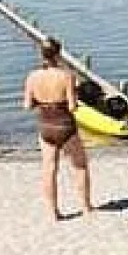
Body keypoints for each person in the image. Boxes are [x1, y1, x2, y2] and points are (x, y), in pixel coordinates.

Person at [23, 38, 92, 220]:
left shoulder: (32, 77)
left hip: (46, 125)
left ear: (42, 55)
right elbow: (72, 106)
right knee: (80, 166)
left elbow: (27, 105)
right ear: (59, 55)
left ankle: (53, 212)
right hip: (65, 125)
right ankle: (86, 207)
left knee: (49, 169)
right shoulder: (67, 76)